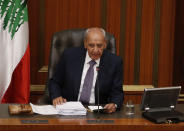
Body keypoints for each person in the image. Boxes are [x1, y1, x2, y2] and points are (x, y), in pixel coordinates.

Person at [49, 27, 123, 113]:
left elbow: (117, 92)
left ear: (105, 44)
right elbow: (55, 82)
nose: (95, 50)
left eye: (99, 45)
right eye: (91, 45)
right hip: (70, 109)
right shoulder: (69, 56)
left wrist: (114, 104)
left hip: (98, 112)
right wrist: (56, 96)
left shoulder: (114, 62)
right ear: (85, 44)